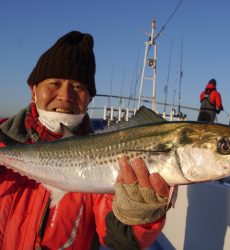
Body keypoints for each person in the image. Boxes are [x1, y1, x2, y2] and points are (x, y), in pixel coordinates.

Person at [0, 31, 176, 250]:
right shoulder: (2, 140)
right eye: (54, 83)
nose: (65, 96)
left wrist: (140, 216)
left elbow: (120, 241)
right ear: (33, 90)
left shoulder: (106, 150)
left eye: (78, 87)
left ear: (90, 98)